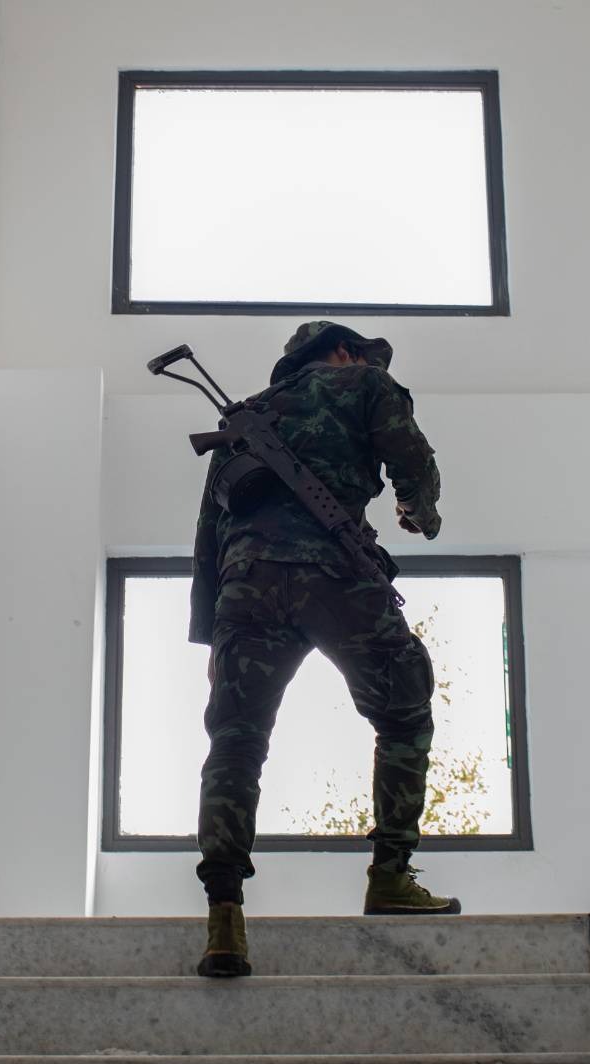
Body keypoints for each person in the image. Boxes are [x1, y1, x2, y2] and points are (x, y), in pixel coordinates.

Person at [188, 320, 459, 979]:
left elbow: (209, 530)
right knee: (403, 712)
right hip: (337, 580)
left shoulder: (246, 415)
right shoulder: (363, 383)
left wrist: (212, 634)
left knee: (236, 741)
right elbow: (411, 455)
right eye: (359, 355)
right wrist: (420, 512)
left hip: (247, 592)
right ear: (341, 353)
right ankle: (391, 875)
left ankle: (225, 918)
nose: (363, 362)